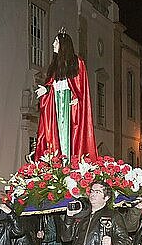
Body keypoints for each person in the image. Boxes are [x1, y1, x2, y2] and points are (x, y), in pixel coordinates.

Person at [34, 31, 97, 160]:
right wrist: (46, 90)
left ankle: (70, 162)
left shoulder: (77, 62)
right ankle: (57, 162)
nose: (53, 44)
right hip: (55, 103)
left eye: (56, 42)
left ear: (64, 45)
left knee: (69, 134)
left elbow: (80, 87)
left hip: (69, 105)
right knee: (54, 133)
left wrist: (77, 98)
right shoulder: (55, 65)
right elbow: (52, 84)